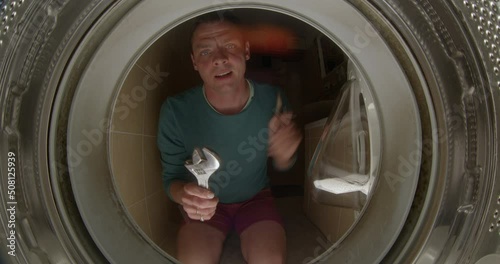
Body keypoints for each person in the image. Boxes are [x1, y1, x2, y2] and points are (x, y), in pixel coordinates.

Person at [157, 11, 302, 264]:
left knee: (269, 260)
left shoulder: (273, 99)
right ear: (194, 62)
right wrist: (186, 195)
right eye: (205, 52)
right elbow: (171, 179)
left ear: (246, 51)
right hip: (206, 206)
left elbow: (285, 163)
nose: (219, 59)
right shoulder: (175, 111)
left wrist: (284, 156)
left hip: (256, 199)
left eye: (230, 46)